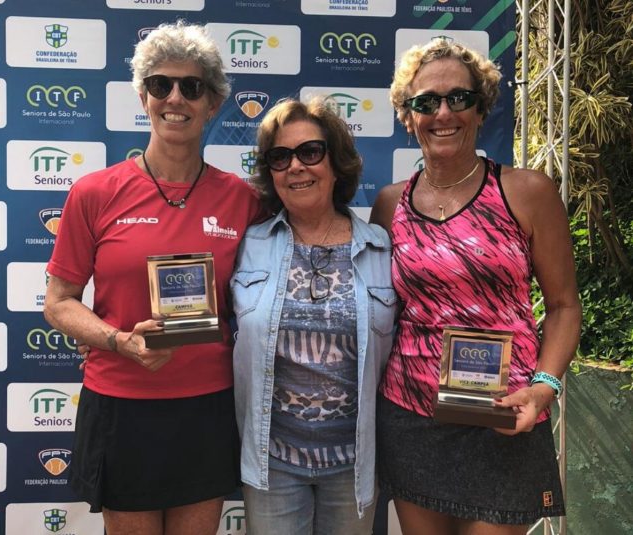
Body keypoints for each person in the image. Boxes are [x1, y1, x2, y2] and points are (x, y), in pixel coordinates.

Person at [43, 21, 263, 535]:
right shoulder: (94, 193)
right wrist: (116, 340)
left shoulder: (244, 200)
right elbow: (58, 302)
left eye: (192, 87)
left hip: (207, 405)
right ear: (143, 96)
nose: (175, 98)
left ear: (213, 103)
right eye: (161, 84)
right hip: (121, 404)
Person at [370, 39, 582, 535]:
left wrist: (544, 388)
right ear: (408, 117)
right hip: (412, 415)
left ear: (481, 108)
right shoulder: (389, 205)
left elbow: (564, 306)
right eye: (426, 101)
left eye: (458, 98)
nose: (443, 113)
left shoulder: (527, 192)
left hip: (507, 416)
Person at [230, 96, 396, 535]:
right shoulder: (248, 245)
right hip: (273, 464)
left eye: (310, 152)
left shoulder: (382, 247)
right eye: (280, 157)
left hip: (354, 465)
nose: (295, 167)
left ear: (336, 163)